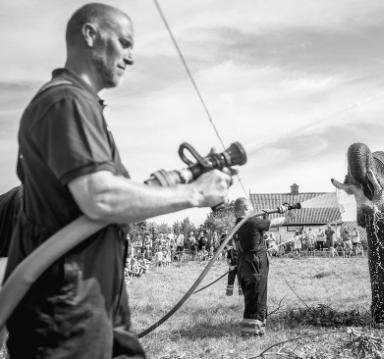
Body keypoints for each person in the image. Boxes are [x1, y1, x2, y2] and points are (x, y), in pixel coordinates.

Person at [3, 3, 232, 358]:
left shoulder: (84, 106)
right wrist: (194, 193)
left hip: (96, 307)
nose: (131, 57)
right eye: (124, 43)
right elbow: (102, 198)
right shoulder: (65, 100)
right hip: (63, 316)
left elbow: (107, 197)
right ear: (90, 34)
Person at [234, 197, 287, 336]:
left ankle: (249, 332)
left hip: (244, 266)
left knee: (251, 300)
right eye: (251, 208)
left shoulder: (237, 224)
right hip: (255, 265)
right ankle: (255, 334)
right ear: (245, 209)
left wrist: (265, 217)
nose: (253, 210)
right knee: (258, 299)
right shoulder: (251, 222)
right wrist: (286, 212)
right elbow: (277, 222)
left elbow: (257, 234)